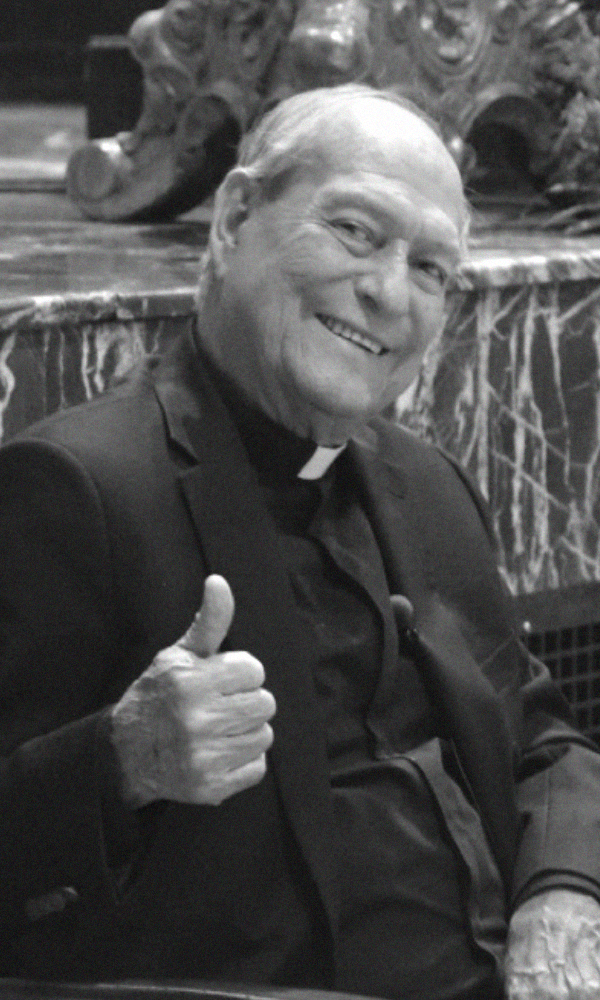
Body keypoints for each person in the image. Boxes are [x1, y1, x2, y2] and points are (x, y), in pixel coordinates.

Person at [1, 84, 600, 1000]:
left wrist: (564, 892)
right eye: (356, 232)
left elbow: (544, 735)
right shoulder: (78, 487)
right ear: (235, 217)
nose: (389, 293)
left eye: (431, 268)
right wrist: (121, 759)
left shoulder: (428, 482)